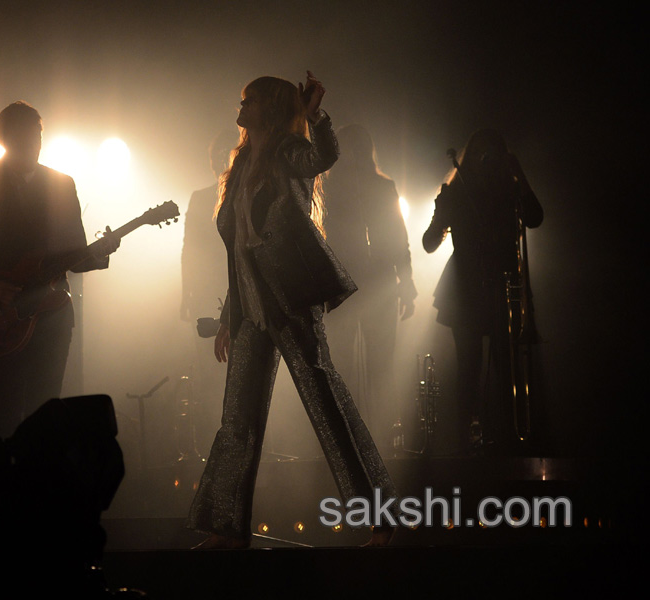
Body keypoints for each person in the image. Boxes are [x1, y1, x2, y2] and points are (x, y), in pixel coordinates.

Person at [187, 72, 397, 549]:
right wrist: (229, 317)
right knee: (236, 419)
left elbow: (324, 156)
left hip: (293, 302)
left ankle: (380, 519)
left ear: (271, 107)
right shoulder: (241, 163)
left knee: (327, 408)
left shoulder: (286, 153)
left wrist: (313, 115)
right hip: (253, 310)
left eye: (250, 100)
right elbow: (237, 248)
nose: (240, 106)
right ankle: (225, 527)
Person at [0, 101, 118, 438]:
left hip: (51, 313)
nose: (32, 146)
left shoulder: (61, 182)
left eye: (36, 137)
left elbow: (73, 254)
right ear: (2, 140)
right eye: (22, 139)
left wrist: (101, 252)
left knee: (46, 409)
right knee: (2, 410)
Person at [422, 128, 543, 453]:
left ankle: (508, 439)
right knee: (469, 366)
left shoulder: (509, 189)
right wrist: (441, 216)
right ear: (470, 156)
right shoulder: (456, 192)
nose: (485, 160)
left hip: (504, 282)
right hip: (464, 286)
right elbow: (429, 244)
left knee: (507, 365)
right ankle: (466, 439)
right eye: (480, 153)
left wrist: (520, 175)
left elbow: (536, 217)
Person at [323, 124, 416, 450]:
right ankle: (372, 436)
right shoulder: (376, 186)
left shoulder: (333, 189)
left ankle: (360, 436)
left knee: (359, 363)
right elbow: (397, 239)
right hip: (362, 283)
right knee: (368, 362)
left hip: (352, 284)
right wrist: (406, 284)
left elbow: (396, 237)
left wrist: (406, 283)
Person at [179, 128, 236, 454]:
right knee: (208, 366)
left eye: (223, 156)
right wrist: (187, 294)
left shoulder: (244, 193)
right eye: (215, 157)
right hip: (208, 288)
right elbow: (189, 249)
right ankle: (211, 442)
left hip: (236, 285)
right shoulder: (201, 197)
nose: (218, 162)